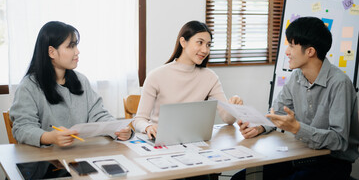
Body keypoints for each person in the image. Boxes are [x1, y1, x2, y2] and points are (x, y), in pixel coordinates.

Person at [232, 17, 359, 180]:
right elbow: (275, 112)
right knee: (240, 178)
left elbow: (338, 141)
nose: (286, 51)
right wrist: (258, 127)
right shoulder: (297, 77)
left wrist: (297, 128)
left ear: (310, 51)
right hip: (300, 155)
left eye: (291, 46)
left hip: (332, 162)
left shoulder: (339, 83)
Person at [10, 21, 133, 147]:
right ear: (51, 52)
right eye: (71, 46)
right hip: (47, 161)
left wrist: (118, 129)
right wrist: (49, 137)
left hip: (81, 155)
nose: (77, 51)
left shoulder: (81, 80)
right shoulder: (28, 86)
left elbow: (98, 114)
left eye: (76, 45)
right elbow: (22, 128)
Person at [133, 20, 243, 139]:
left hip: (195, 140)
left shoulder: (210, 77)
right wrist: (148, 127)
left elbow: (228, 119)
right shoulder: (156, 75)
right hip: (162, 140)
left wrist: (233, 107)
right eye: (200, 42)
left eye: (208, 45)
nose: (205, 50)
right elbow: (139, 119)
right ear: (183, 42)